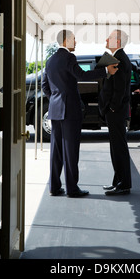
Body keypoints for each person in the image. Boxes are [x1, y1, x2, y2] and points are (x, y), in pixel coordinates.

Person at [42, 29, 118, 198]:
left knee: (56, 151)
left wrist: (56, 98)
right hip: (70, 111)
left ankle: (54, 187)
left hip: (55, 111)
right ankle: (72, 189)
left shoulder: (50, 60)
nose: (76, 43)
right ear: (66, 41)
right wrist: (105, 71)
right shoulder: (69, 57)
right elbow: (81, 75)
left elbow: (45, 86)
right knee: (71, 151)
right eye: (74, 40)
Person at [99, 29, 132, 195]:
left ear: (117, 42)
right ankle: (118, 181)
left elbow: (119, 89)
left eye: (110, 37)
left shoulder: (119, 59)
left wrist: (112, 107)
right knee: (116, 148)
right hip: (115, 111)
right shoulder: (116, 57)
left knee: (119, 148)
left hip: (116, 111)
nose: (106, 39)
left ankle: (123, 184)